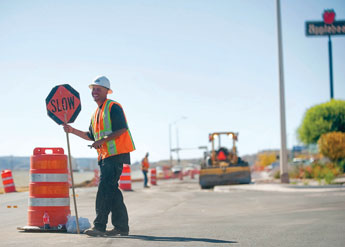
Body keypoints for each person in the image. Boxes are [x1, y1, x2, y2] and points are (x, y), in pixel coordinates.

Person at [63, 75, 135, 237]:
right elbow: (91, 135)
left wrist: (101, 140)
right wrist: (72, 130)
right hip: (105, 157)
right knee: (112, 191)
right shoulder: (96, 113)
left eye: (98, 89)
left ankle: (99, 226)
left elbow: (122, 129)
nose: (95, 92)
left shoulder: (113, 107)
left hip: (115, 155)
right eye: (93, 89)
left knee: (104, 191)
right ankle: (122, 227)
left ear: (107, 91)